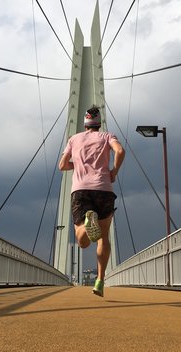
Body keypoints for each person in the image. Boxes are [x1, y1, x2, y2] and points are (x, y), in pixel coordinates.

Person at [59, 105, 125, 297]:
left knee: (83, 242)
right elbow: (120, 152)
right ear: (99, 123)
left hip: (80, 190)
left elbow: (62, 165)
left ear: (85, 123)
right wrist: (113, 172)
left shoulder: (74, 139)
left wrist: (77, 163)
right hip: (104, 190)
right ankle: (100, 281)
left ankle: (87, 225)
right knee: (104, 237)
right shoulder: (107, 136)